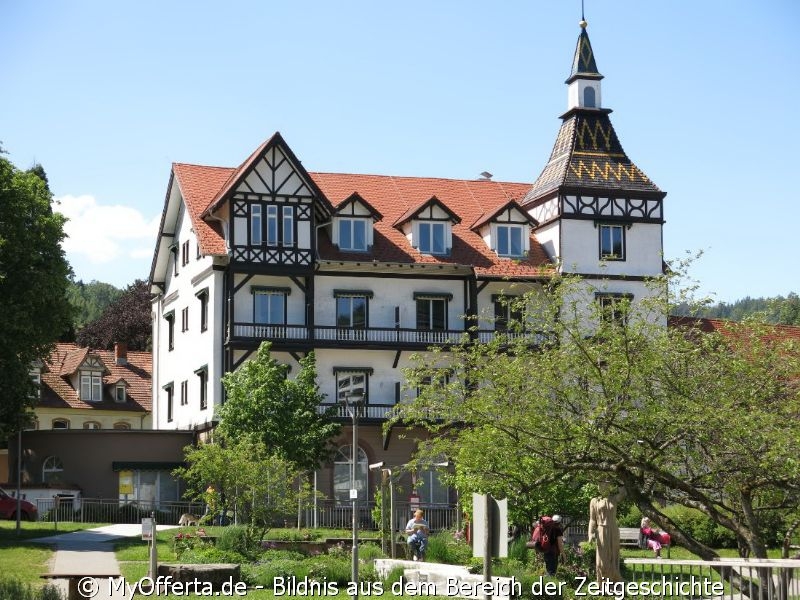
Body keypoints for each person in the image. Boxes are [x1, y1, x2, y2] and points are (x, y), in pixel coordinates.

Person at [588, 484, 624, 582]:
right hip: (601, 530)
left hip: (613, 530)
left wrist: (621, 480)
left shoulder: (614, 499)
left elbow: (622, 494)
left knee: (614, 556)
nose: (602, 487)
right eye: (600, 485)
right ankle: (602, 581)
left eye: (605, 484)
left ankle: (614, 580)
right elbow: (592, 520)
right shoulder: (594, 501)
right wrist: (590, 533)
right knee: (601, 561)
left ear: (609, 486)